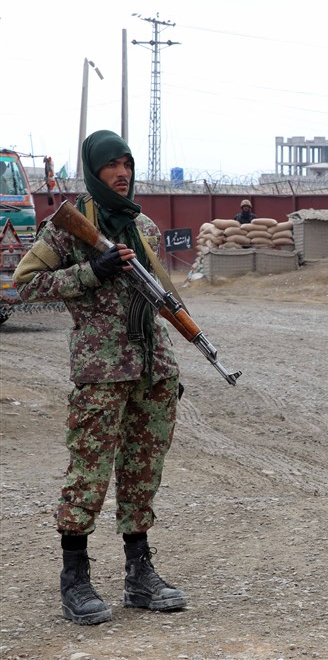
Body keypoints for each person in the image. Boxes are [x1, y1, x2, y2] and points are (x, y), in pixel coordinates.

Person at [13, 130, 187, 625]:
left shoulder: (145, 228)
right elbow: (24, 283)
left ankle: (139, 574)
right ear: (94, 170)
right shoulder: (69, 228)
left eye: (127, 164)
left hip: (152, 368)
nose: (122, 173)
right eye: (111, 165)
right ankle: (76, 579)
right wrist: (93, 270)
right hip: (101, 370)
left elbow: (158, 304)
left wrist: (170, 365)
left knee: (142, 471)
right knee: (89, 474)